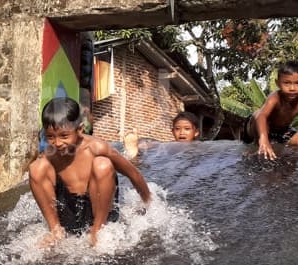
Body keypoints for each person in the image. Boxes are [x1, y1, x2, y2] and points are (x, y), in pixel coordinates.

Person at [30, 97, 153, 247]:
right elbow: (41, 183)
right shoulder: (50, 155)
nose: (57, 143)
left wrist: (148, 202)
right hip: (71, 210)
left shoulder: (96, 147)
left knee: (102, 164)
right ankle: (56, 230)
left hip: (99, 209)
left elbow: (133, 174)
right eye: (50, 137)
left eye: (64, 136)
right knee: (36, 167)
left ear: (80, 129)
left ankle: (98, 229)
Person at [242, 60, 298, 160]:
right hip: (256, 128)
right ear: (278, 83)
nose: (292, 88)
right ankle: (256, 145)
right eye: (287, 83)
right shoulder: (275, 97)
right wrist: (263, 139)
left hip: (281, 131)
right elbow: (262, 116)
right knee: (258, 115)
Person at [123, 111, 201, 159]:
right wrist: (141, 145)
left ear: (196, 132)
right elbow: (158, 144)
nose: (181, 132)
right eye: (177, 129)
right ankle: (133, 152)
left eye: (187, 129)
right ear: (172, 131)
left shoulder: (199, 148)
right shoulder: (168, 146)